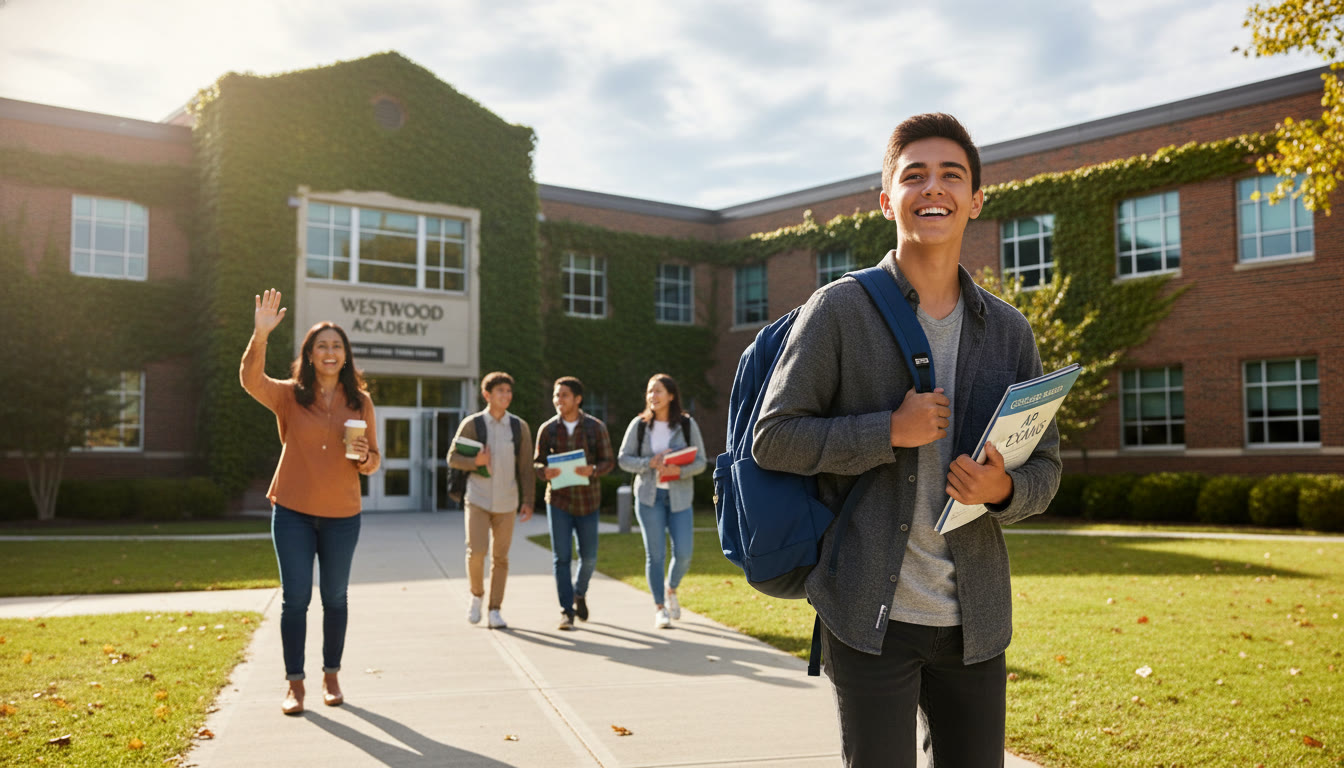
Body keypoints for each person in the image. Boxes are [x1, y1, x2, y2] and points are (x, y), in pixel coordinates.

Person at [752, 114, 1062, 767]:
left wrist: (1004, 488)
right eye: (913, 175)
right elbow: (772, 438)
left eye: (952, 175)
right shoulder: (839, 310)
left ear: (976, 199)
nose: (933, 189)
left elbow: (1048, 471)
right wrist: (886, 431)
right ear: (887, 198)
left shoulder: (1009, 332)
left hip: (975, 623)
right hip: (868, 610)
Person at [240, 289, 381, 716]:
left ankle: (331, 675)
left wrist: (364, 460)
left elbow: (374, 461)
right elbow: (250, 380)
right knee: (295, 598)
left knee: (335, 597)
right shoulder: (289, 395)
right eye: (322, 345)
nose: (330, 352)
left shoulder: (360, 402)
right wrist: (259, 336)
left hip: (342, 515)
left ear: (346, 355)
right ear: (310, 354)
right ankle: (295, 684)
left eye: (337, 346)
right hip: (293, 512)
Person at [617, 374, 707, 629]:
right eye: (649, 391)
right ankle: (659, 608)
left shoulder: (687, 425)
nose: (652, 396)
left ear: (671, 395)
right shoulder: (639, 425)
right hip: (649, 498)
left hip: (679, 497)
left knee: (684, 554)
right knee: (655, 555)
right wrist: (649, 463)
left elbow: (700, 461)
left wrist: (679, 471)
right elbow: (624, 459)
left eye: (657, 391)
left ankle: (671, 588)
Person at [448, 371, 535, 630]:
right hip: (477, 498)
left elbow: (526, 468)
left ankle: (495, 609)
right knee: (476, 552)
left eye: (508, 392)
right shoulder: (473, 424)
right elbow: (452, 457)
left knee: (501, 557)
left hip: (508, 501)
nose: (506, 396)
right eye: (500, 391)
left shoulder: (519, 427)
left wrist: (528, 500)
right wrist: (475, 462)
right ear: (487, 395)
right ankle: (476, 595)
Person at [533, 376, 615, 630]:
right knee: (562, 558)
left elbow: (608, 462)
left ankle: (579, 592)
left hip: (587, 501)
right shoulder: (548, 429)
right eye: (556, 395)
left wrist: (592, 469)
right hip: (557, 500)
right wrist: (543, 471)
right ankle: (566, 611)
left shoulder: (595, 427)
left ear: (578, 399)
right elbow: (537, 462)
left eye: (564, 395)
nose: (559, 400)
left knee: (589, 557)